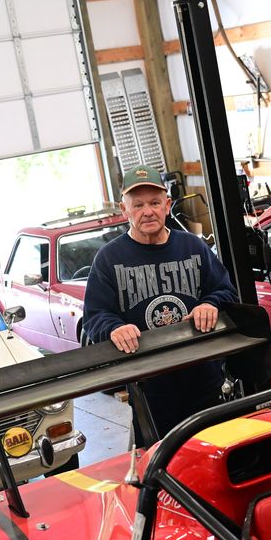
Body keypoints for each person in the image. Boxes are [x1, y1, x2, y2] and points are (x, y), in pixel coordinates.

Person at [82, 165, 238, 438]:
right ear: (124, 210)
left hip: (203, 380)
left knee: (215, 455)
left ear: (167, 205)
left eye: (155, 203)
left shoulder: (193, 246)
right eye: (138, 204)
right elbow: (95, 316)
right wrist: (113, 328)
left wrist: (210, 304)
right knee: (157, 465)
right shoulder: (109, 259)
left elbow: (227, 292)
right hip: (150, 389)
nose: (148, 211)